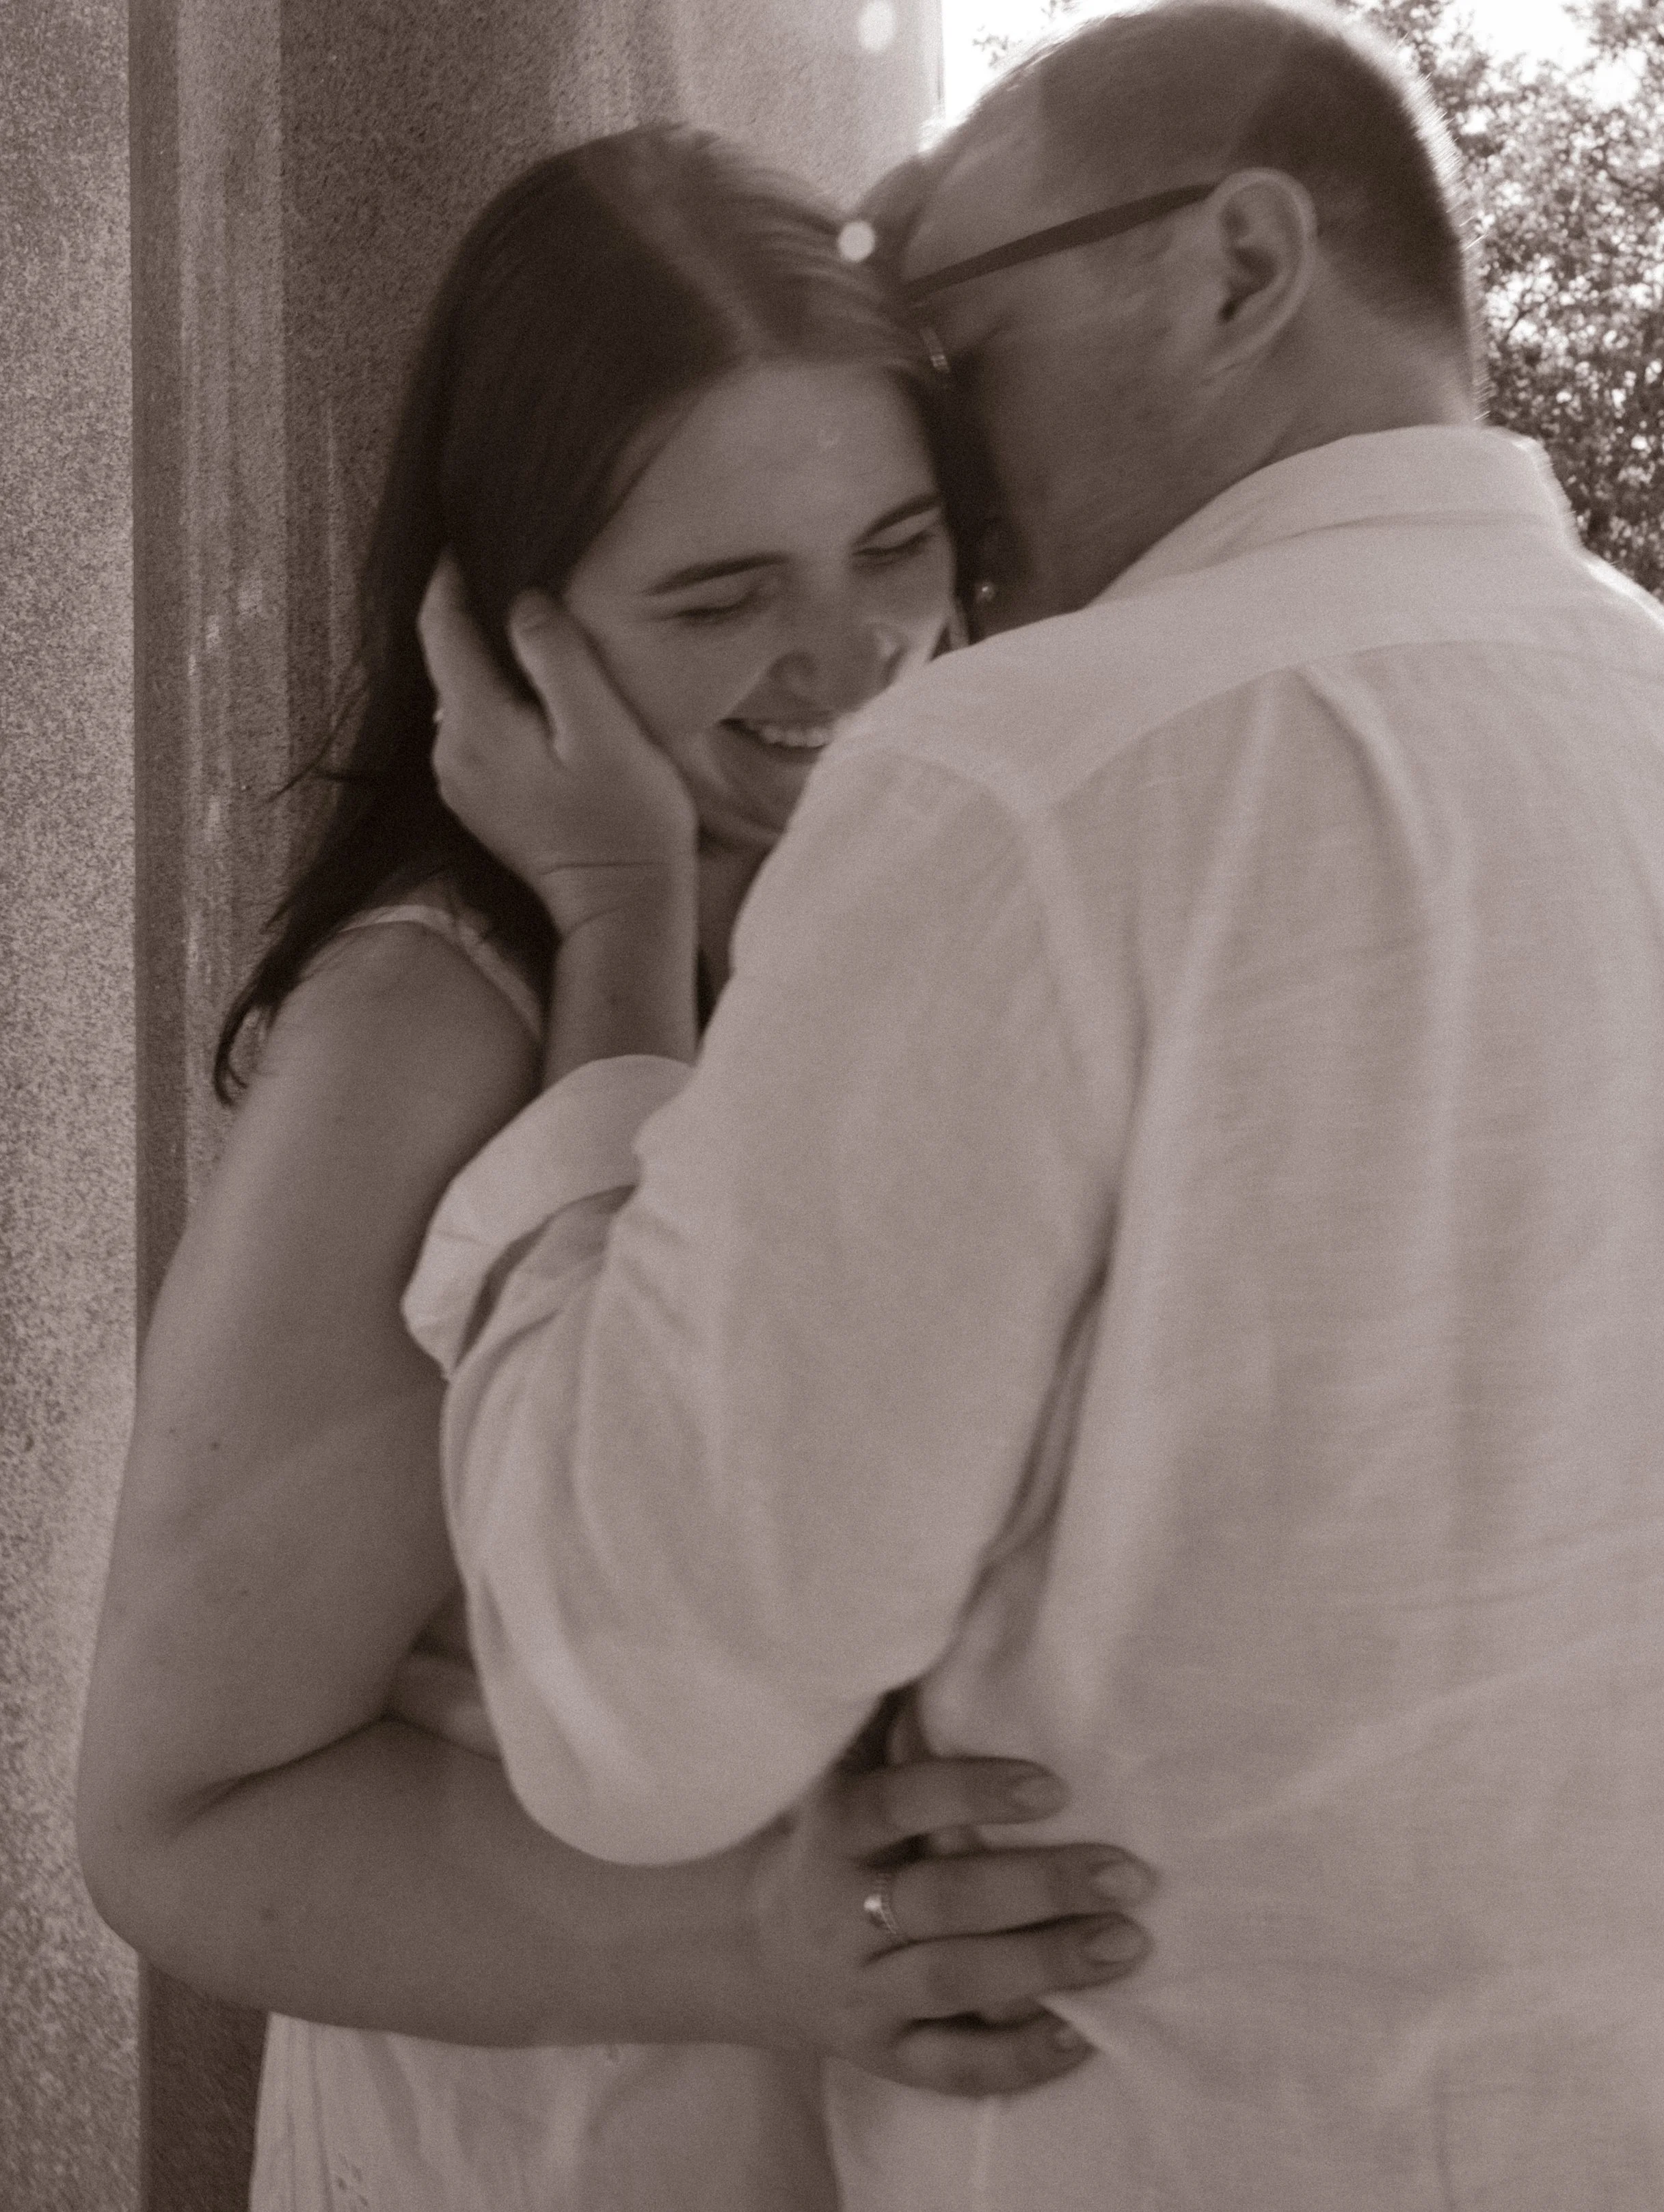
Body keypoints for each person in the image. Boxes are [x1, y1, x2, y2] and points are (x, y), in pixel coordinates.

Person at [412, 4, 1664, 2209]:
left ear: (1234, 260)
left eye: (951, 311)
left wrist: (615, 961)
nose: (932, 410)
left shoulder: (1029, 780)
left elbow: (640, 1705)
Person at [74, 128, 1159, 2212]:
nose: (844, 669)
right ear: (508, 636)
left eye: (897, 545)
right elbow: (178, 1821)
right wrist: (745, 1944)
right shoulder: (427, 1026)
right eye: (721, 595)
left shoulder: (942, 909)